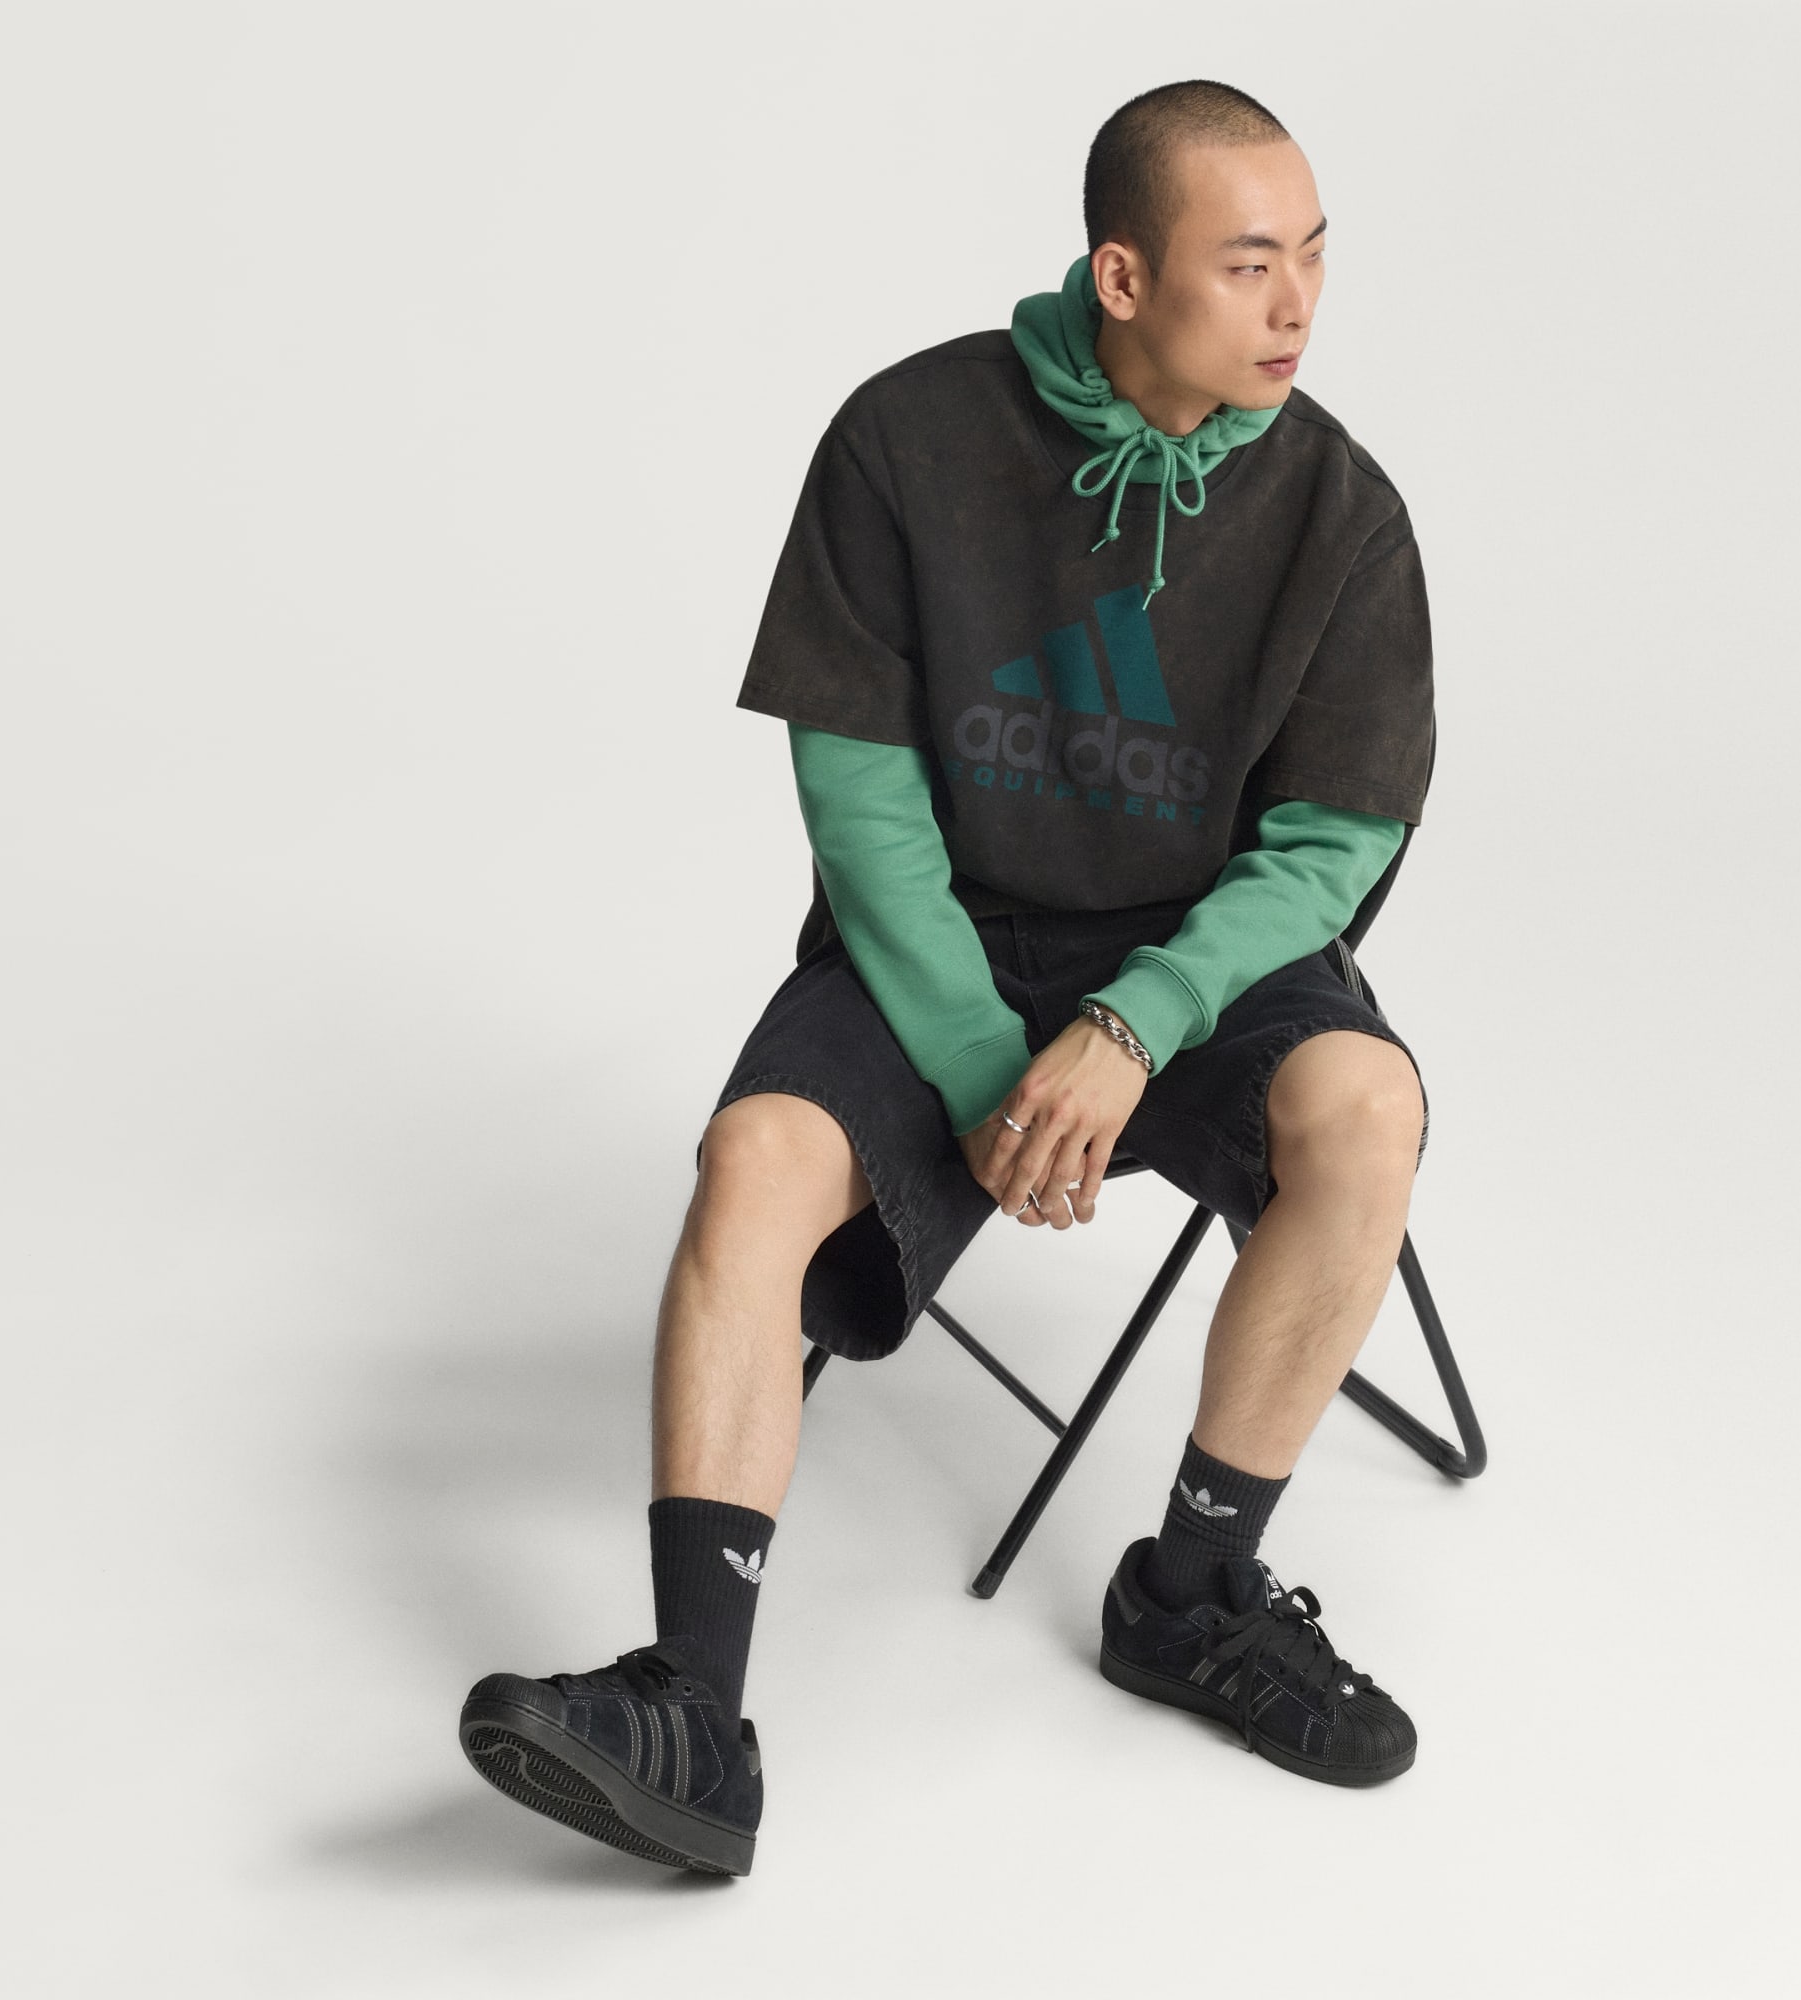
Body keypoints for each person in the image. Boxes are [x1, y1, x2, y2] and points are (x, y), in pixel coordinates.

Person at [458, 78, 1437, 1877]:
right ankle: (694, 1713)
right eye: (1248, 264)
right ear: (1124, 278)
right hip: (946, 942)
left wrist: (1136, 1023)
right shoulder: (906, 439)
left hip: (1195, 963)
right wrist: (995, 1065)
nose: (1298, 302)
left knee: (1367, 1109)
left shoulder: (1342, 510)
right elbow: (859, 795)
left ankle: (1194, 1597)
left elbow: (1332, 844)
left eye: (1314, 254)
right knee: (755, 1160)